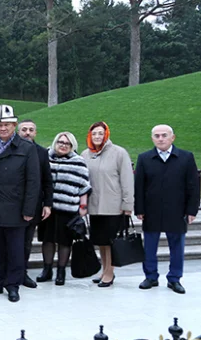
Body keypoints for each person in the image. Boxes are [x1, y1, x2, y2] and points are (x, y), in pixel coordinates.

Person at [0, 105, 40, 303]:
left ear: (14, 125)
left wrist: (29, 209)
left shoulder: (27, 148)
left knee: (15, 250)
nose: (3, 128)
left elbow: (33, 181)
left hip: (16, 208)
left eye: (7, 125)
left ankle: (12, 285)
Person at [134, 124, 199, 294]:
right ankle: (150, 277)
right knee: (149, 246)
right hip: (151, 210)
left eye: (164, 135)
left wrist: (192, 210)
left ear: (172, 138)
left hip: (177, 210)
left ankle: (175, 278)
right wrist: (139, 208)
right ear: (152, 138)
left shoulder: (186, 158)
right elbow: (139, 187)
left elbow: (193, 186)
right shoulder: (144, 158)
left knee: (177, 246)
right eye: (157, 136)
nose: (160, 139)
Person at [81, 122, 134, 288]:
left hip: (113, 206)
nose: (97, 136)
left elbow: (126, 180)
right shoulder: (85, 154)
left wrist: (128, 204)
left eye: (100, 133)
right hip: (95, 206)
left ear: (106, 134)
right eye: (94, 133)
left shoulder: (119, 153)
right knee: (101, 241)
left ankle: (110, 272)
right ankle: (105, 269)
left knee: (110, 241)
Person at [38, 132, 91, 286]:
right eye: (60, 142)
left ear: (72, 146)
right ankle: (46, 269)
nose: (62, 145)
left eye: (67, 143)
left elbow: (84, 186)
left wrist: (83, 206)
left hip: (68, 208)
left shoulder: (79, 162)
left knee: (64, 241)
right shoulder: (46, 158)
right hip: (48, 208)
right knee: (47, 240)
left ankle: (61, 271)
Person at [16, 119, 53, 288]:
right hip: (12, 204)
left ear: (35, 133)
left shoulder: (41, 153)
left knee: (26, 242)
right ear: (18, 132)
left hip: (34, 205)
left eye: (31, 130)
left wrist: (48, 204)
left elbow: (47, 180)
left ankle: (22, 273)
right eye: (24, 129)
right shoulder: (11, 149)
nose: (27, 133)